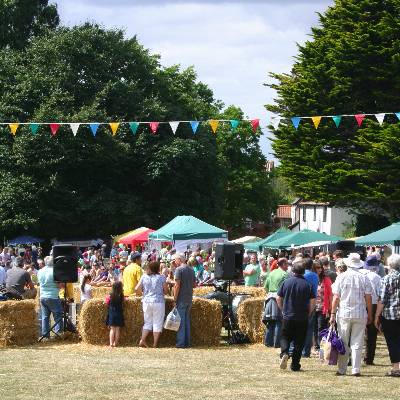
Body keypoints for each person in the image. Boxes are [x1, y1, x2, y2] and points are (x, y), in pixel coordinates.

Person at [330, 253, 373, 376]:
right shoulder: (364, 278)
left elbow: (336, 298)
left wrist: (332, 313)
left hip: (344, 313)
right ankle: (355, 369)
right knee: (357, 342)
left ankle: (342, 369)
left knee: (343, 341)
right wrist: (370, 313)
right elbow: (368, 298)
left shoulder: (341, 277)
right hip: (360, 313)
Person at [277, 259, 315, 372]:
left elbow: (278, 297)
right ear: (303, 272)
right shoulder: (308, 284)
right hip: (302, 316)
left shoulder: (286, 282)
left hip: (288, 315)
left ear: (293, 271)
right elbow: (313, 301)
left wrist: (282, 309)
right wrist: (309, 312)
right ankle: (295, 365)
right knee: (299, 341)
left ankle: (284, 353)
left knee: (285, 337)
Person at [375, 254, 400, 377]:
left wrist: (376, 316)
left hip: (389, 315)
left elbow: (382, 300)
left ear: (389, 265)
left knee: (392, 341)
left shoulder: (386, 279)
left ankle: (396, 368)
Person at [135, 261, 168, 348]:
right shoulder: (161, 277)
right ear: (157, 268)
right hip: (158, 301)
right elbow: (166, 291)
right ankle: (155, 344)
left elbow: (136, 288)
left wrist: (142, 294)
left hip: (146, 301)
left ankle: (142, 340)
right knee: (157, 322)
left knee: (147, 322)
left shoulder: (144, 277)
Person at [360, 255, 382, 365]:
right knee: (372, 333)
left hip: (361, 303)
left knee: (358, 331)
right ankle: (369, 358)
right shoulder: (377, 277)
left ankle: (354, 357)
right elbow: (379, 294)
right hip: (373, 304)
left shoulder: (362, 275)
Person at [263, 257, 289, 348]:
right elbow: (286, 289)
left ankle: (267, 342)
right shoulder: (285, 274)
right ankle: (276, 343)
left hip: (270, 297)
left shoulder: (271, 273)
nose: (288, 266)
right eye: (287, 264)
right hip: (279, 298)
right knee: (279, 321)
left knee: (270, 321)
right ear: (284, 264)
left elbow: (265, 287)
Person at [173, 253, 196, 348]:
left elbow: (177, 285)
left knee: (181, 322)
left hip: (181, 298)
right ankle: (187, 342)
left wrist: (174, 299)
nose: (174, 261)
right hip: (189, 298)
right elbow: (194, 285)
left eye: (175, 259)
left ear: (179, 259)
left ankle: (180, 343)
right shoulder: (191, 270)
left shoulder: (178, 269)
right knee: (186, 320)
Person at [37, 256, 63, 338]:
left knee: (45, 317)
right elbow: (59, 285)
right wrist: (63, 284)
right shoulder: (55, 271)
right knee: (58, 316)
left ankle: (45, 335)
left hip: (43, 296)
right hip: (53, 296)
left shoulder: (40, 271)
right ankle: (58, 334)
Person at [313, 260, 332, 353]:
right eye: (317, 268)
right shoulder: (311, 278)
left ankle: (321, 345)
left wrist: (331, 308)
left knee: (321, 327)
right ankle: (315, 346)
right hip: (312, 307)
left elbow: (330, 294)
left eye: (320, 267)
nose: (319, 269)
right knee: (313, 327)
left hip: (322, 307)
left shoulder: (326, 279)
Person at [302, 257, 319, 357]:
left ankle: (298, 349)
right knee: (309, 329)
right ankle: (306, 351)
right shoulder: (315, 276)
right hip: (312, 302)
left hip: (302, 302)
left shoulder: (302, 275)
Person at [105, 281, 125, 348]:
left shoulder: (110, 295)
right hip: (119, 313)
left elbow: (107, 302)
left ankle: (111, 343)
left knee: (112, 329)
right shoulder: (121, 295)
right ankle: (115, 343)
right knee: (117, 329)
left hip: (112, 313)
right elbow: (123, 301)